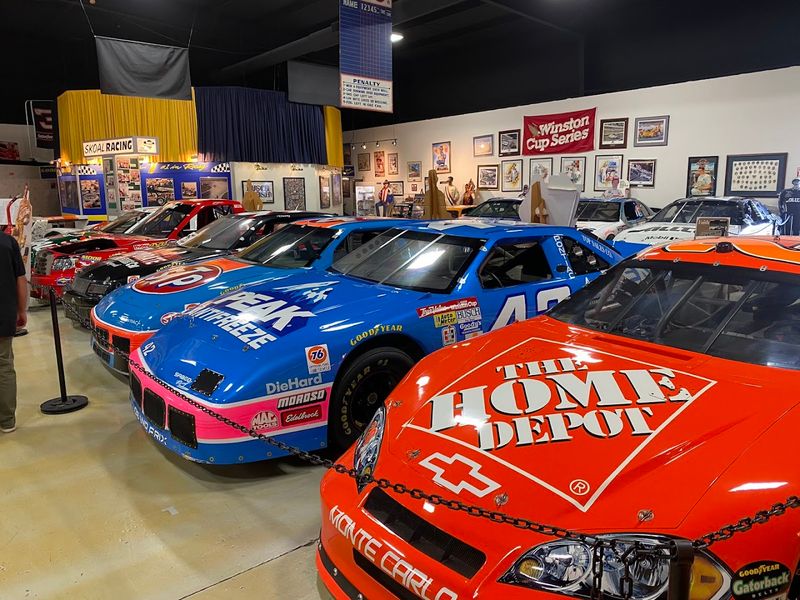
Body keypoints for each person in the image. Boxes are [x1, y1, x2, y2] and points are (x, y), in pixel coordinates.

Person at [0, 230, 26, 433]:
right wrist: (21, 310)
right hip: (4, 314)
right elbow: (20, 279)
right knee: (4, 367)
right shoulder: (8, 243)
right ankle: (7, 421)